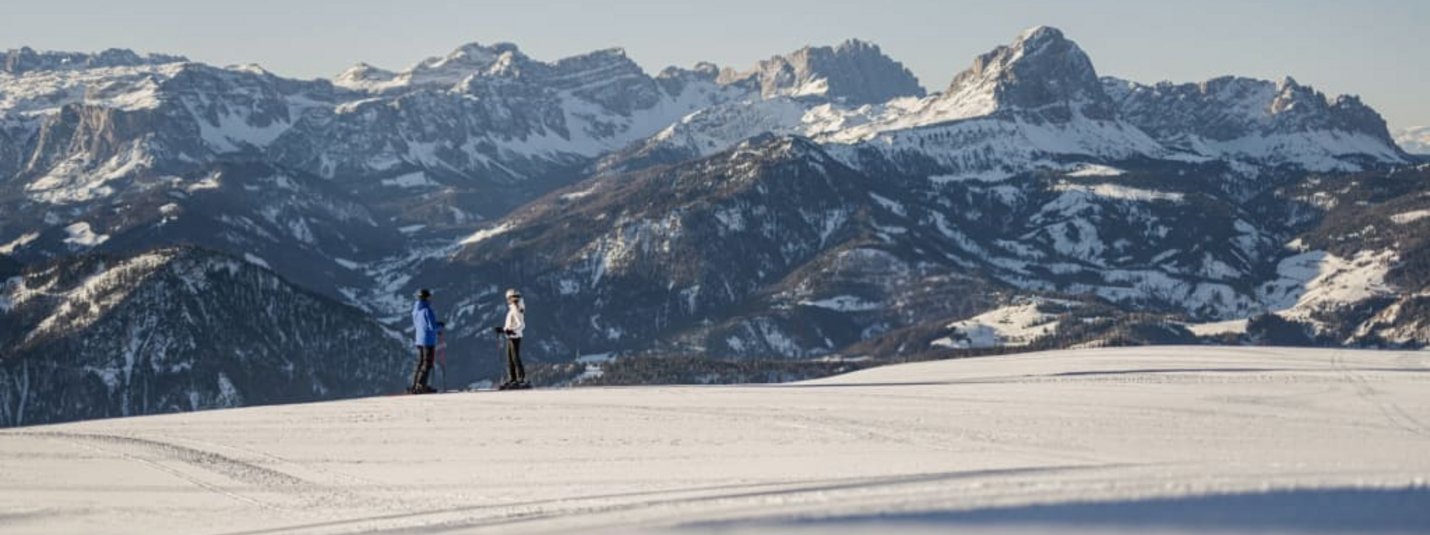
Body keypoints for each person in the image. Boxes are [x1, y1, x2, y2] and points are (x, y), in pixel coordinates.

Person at [410, 288, 444, 394]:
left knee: (420, 363)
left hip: (419, 339)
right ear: (426, 298)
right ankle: (421, 386)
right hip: (428, 340)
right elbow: (432, 326)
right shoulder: (427, 310)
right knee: (427, 363)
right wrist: (440, 326)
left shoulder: (416, 311)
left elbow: (420, 325)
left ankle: (415, 385)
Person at [493, 288, 528, 390]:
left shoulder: (517, 309)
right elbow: (511, 326)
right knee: (510, 358)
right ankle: (513, 378)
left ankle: (520, 379)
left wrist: (511, 331)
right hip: (511, 336)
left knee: (515, 357)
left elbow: (521, 325)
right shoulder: (514, 308)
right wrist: (503, 330)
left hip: (515, 337)